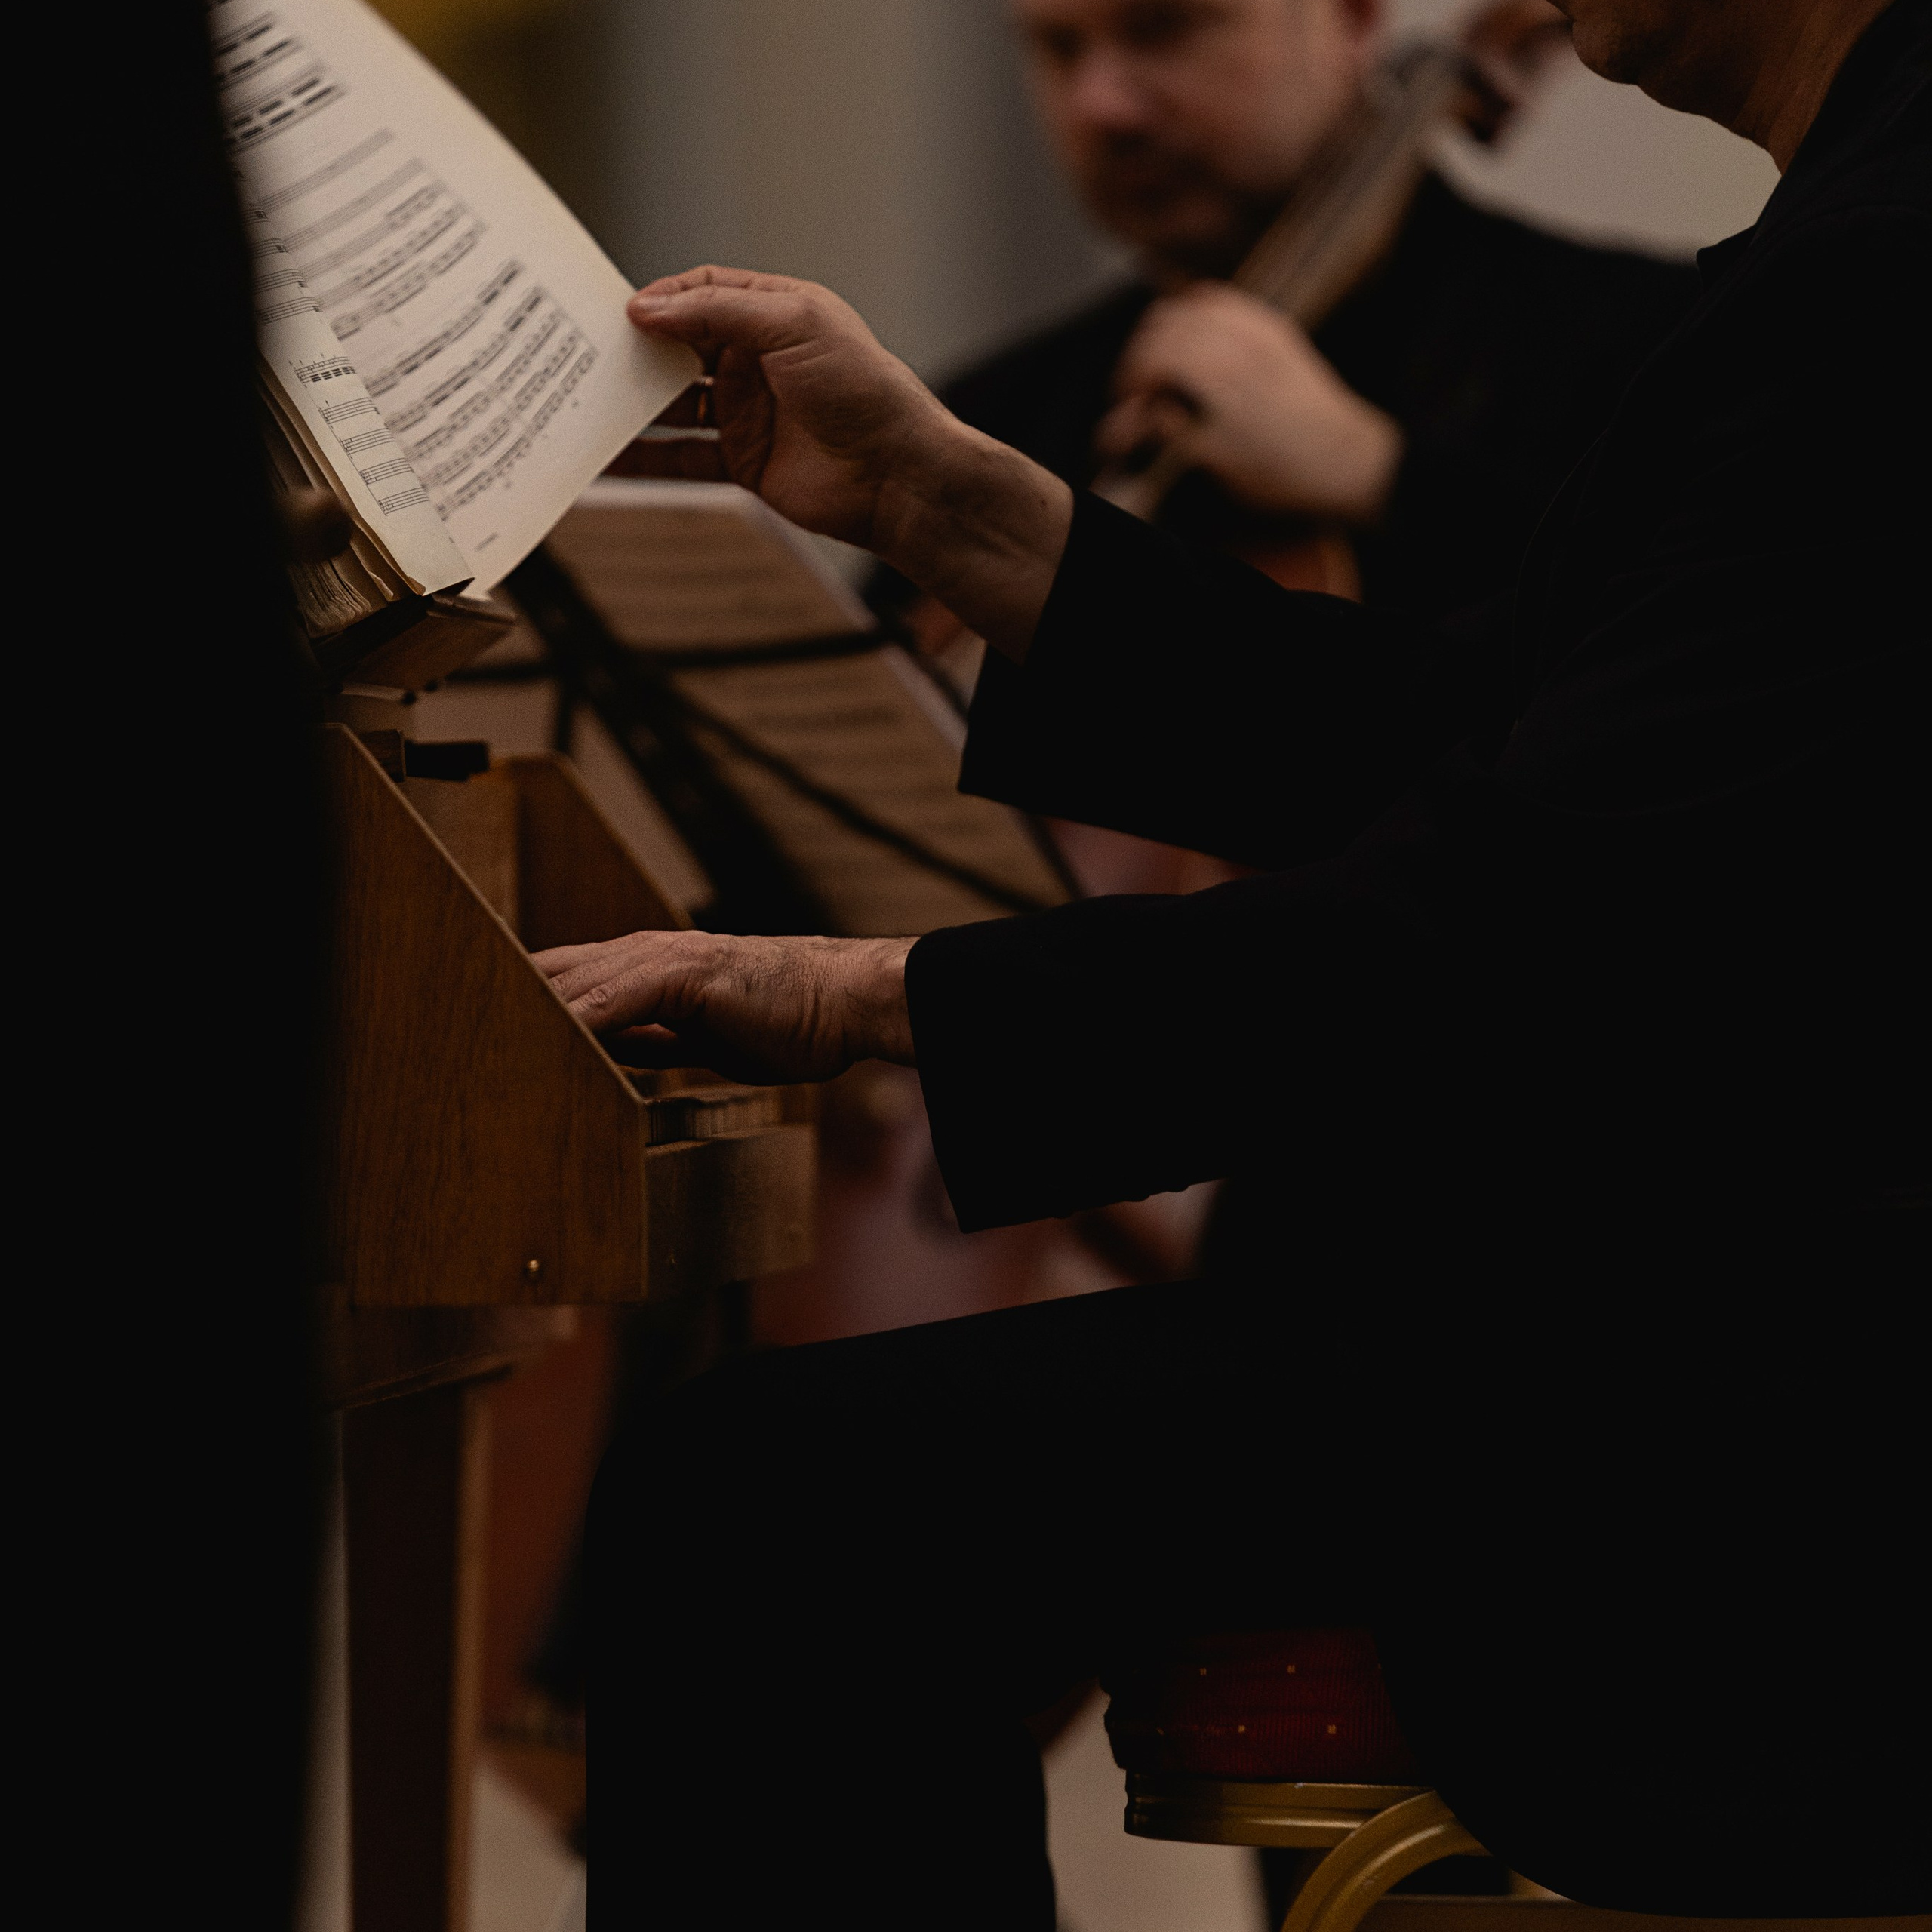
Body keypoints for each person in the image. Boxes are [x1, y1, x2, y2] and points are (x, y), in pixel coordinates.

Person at [550, 0, 1928, 1921]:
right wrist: (939, 500)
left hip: (1775, 1421)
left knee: (768, 1517)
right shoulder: (1854, 229)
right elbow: (1467, 733)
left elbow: (1497, 923)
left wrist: (880, 995)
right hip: (1726, 1299)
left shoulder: (1869, 276)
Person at [912, 0, 1698, 633]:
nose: (1100, 104)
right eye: (1058, 48)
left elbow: (1703, 646)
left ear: (1351, 20)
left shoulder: (1663, 339)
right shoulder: (990, 414)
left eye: (1167, 26)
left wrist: (1379, 476)